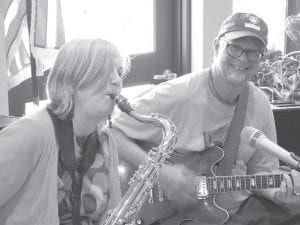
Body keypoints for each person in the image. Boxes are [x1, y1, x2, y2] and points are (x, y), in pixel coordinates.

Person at [111, 12, 300, 225]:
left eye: (254, 52)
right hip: (175, 216)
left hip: (237, 212)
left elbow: (261, 172)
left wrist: (280, 193)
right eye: (234, 47)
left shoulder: (260, 104)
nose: (243, 58)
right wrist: (162, 173)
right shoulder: (176, 95)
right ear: (216, 46)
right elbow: (110, 131)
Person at [0, 39, 130, 225]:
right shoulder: (30, 133)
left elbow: (113, 213)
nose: (117, 81)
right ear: (71, 79)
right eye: (104, 71)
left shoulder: (105, 140)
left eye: (119, 72)